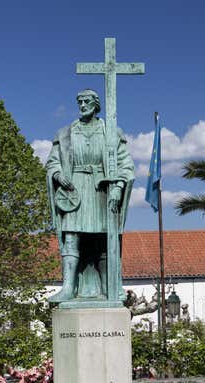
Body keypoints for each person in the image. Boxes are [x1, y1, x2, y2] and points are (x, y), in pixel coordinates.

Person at [46, 89, 134, 302]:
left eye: (86, 101)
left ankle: (109, 286)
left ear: (96, 105)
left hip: (101, 190)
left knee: (105, 239)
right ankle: (68, 287)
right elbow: (52, 161)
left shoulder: (111, 131)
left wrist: (118, 187)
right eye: (79, 102)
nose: (82, 105)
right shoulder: (66, 133)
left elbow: (126, 164)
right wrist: (58, 174)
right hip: (74, 190)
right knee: (71, 236)